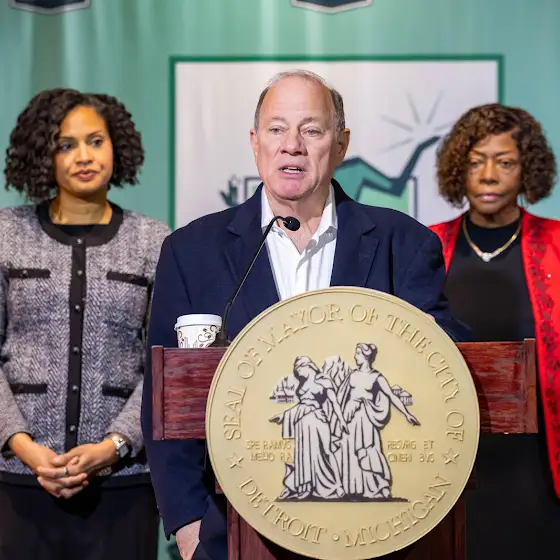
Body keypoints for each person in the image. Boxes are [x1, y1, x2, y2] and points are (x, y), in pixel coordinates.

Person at [142, 70, 469, 560]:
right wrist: (189, 525)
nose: (291, 145)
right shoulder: (191, 251)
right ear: (255, 142)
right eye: (276, 129)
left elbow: (445, 368)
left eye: (311, 130)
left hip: (375, 528)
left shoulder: (403, 244)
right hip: (233, 529)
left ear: (341, 144)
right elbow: (165, 395)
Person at [0, 89, 170, 560]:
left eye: (96, 141)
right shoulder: (6, 234)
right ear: (43, 155)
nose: (84, 156)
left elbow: (164, 365)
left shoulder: (153, 240)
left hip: (124, 486)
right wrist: (23, 447)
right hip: (18, 481)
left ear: (117, 147)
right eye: (65, 145)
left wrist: (114, 446)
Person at [429, 103, 560, 558]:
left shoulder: (557, 245)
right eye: (475, 162)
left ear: (527, 169)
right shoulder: (426, 245)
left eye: (504, 162)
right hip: (447, 459)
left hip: (538, 465)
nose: (488, 176)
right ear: (457, 169)